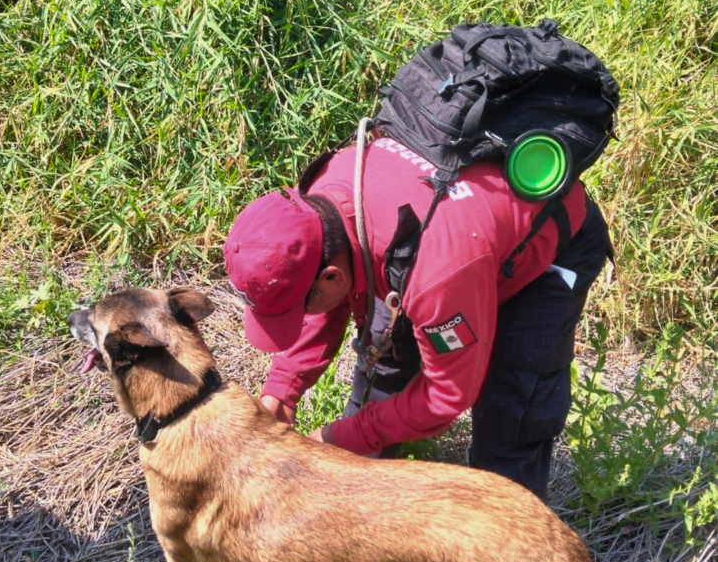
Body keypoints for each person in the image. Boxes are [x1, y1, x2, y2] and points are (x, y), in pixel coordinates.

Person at [223, 134, 612, 502]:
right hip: (439, 248)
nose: (300, 317)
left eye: (296, 309)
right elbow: (323, 285)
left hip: (542, 249)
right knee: (385, 365)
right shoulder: (323, 199)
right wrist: (283, 389)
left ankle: (511, 545)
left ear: (332, 278)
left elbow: (446, 396)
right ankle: (361, 505)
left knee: (509, 414)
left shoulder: (435, 277)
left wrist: (338, 439)